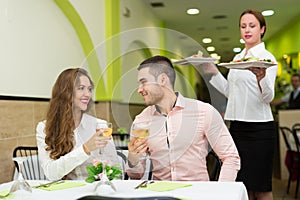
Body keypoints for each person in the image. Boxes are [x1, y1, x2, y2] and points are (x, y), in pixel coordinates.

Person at [126, 55, 240, 182]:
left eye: (143, 82)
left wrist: (221, 192)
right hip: (160, 194)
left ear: (162, 80)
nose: (139, 89)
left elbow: (230, 157)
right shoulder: (141, 121)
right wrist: (133, 159)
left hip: (196, 194)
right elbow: (135, 175)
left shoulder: (204, 112)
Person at [202, 9, 278, 200]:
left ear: (262, 29)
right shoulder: (238, 59)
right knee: (242, 185)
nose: (247, 30)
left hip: (259, 129)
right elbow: (230, 92)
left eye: (252, 26)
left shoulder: (267, 59)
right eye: (243, 26)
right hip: (237, 128)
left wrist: (261, 77)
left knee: (261, 187)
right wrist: (213, 72)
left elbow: (268, 97)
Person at [36, 68, 118, 180]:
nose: (87, 94)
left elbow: (116, 171)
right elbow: (51, 174)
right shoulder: (44, 128)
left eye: (89, 89)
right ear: (66, 92)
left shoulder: (100, 126)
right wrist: (85, 149)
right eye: (81, 88)